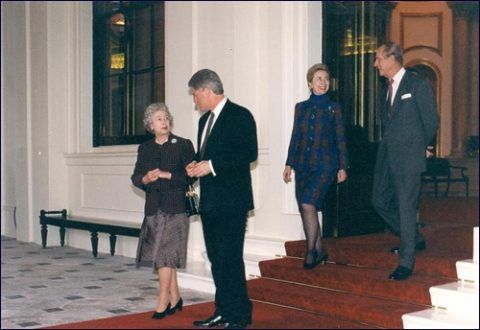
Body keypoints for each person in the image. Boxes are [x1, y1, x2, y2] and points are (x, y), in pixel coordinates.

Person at [186, 69, 257, 329]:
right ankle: (222, 311)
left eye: (195, 95)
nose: (195, 101)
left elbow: (248, 152)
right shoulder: (204, 122)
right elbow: (204, 155)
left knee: (230, 258)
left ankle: (239, 316)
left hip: (232, 202)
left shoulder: (240, 115)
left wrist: (211, 166)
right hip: (211, 202)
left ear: (207, 90)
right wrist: (193, 167)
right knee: (216, 259)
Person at [372, 42, 439, 280]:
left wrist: (425, 146)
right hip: (387, 154)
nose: (375, 63)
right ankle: (413, 237)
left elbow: (431, 120)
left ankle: (406, 262)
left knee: (406, 206)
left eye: (378, 58)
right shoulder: (385, 88)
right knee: (378, 201)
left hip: (409, 156)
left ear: (392, 58)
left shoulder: (417, 84)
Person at [131, 103, 195, 319]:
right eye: (159, 118)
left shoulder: (183, 145)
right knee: (164, 255)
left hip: (175, 207)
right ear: (150, 124)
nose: (164, 121)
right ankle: (176, 297)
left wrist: (168, 175)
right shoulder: (145, 148)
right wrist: (145, 179)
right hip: (153, 208)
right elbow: (136, 177)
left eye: (166, 117)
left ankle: (163, 300)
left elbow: (192, 175)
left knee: (164, 255)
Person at [283, 63, 349, 269]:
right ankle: (320, 250)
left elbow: (341, 139)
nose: (323, 83)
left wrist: (343, 166)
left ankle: (311, 250)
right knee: (304, 206)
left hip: (326, 166)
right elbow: (296, 137)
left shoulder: (333, 108)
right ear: (310, 83)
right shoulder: (300, 107)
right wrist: (289, 163)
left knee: (308, 204)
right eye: (319, 79)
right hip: (303, 166)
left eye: (326, 79)